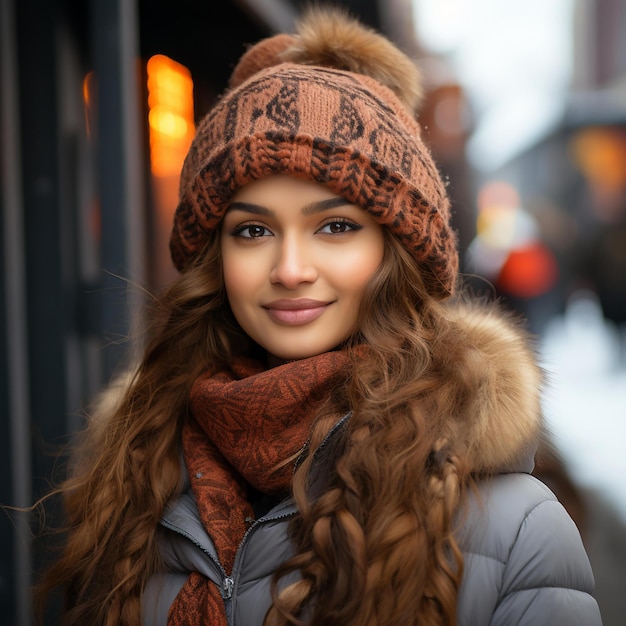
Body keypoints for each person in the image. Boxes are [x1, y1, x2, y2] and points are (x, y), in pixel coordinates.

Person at [37, 7, 602, 626]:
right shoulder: (131, 486)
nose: (289, 268)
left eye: (335, 226)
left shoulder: (513, 524)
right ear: (214, 258)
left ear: (395, 252)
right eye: (252, 230)